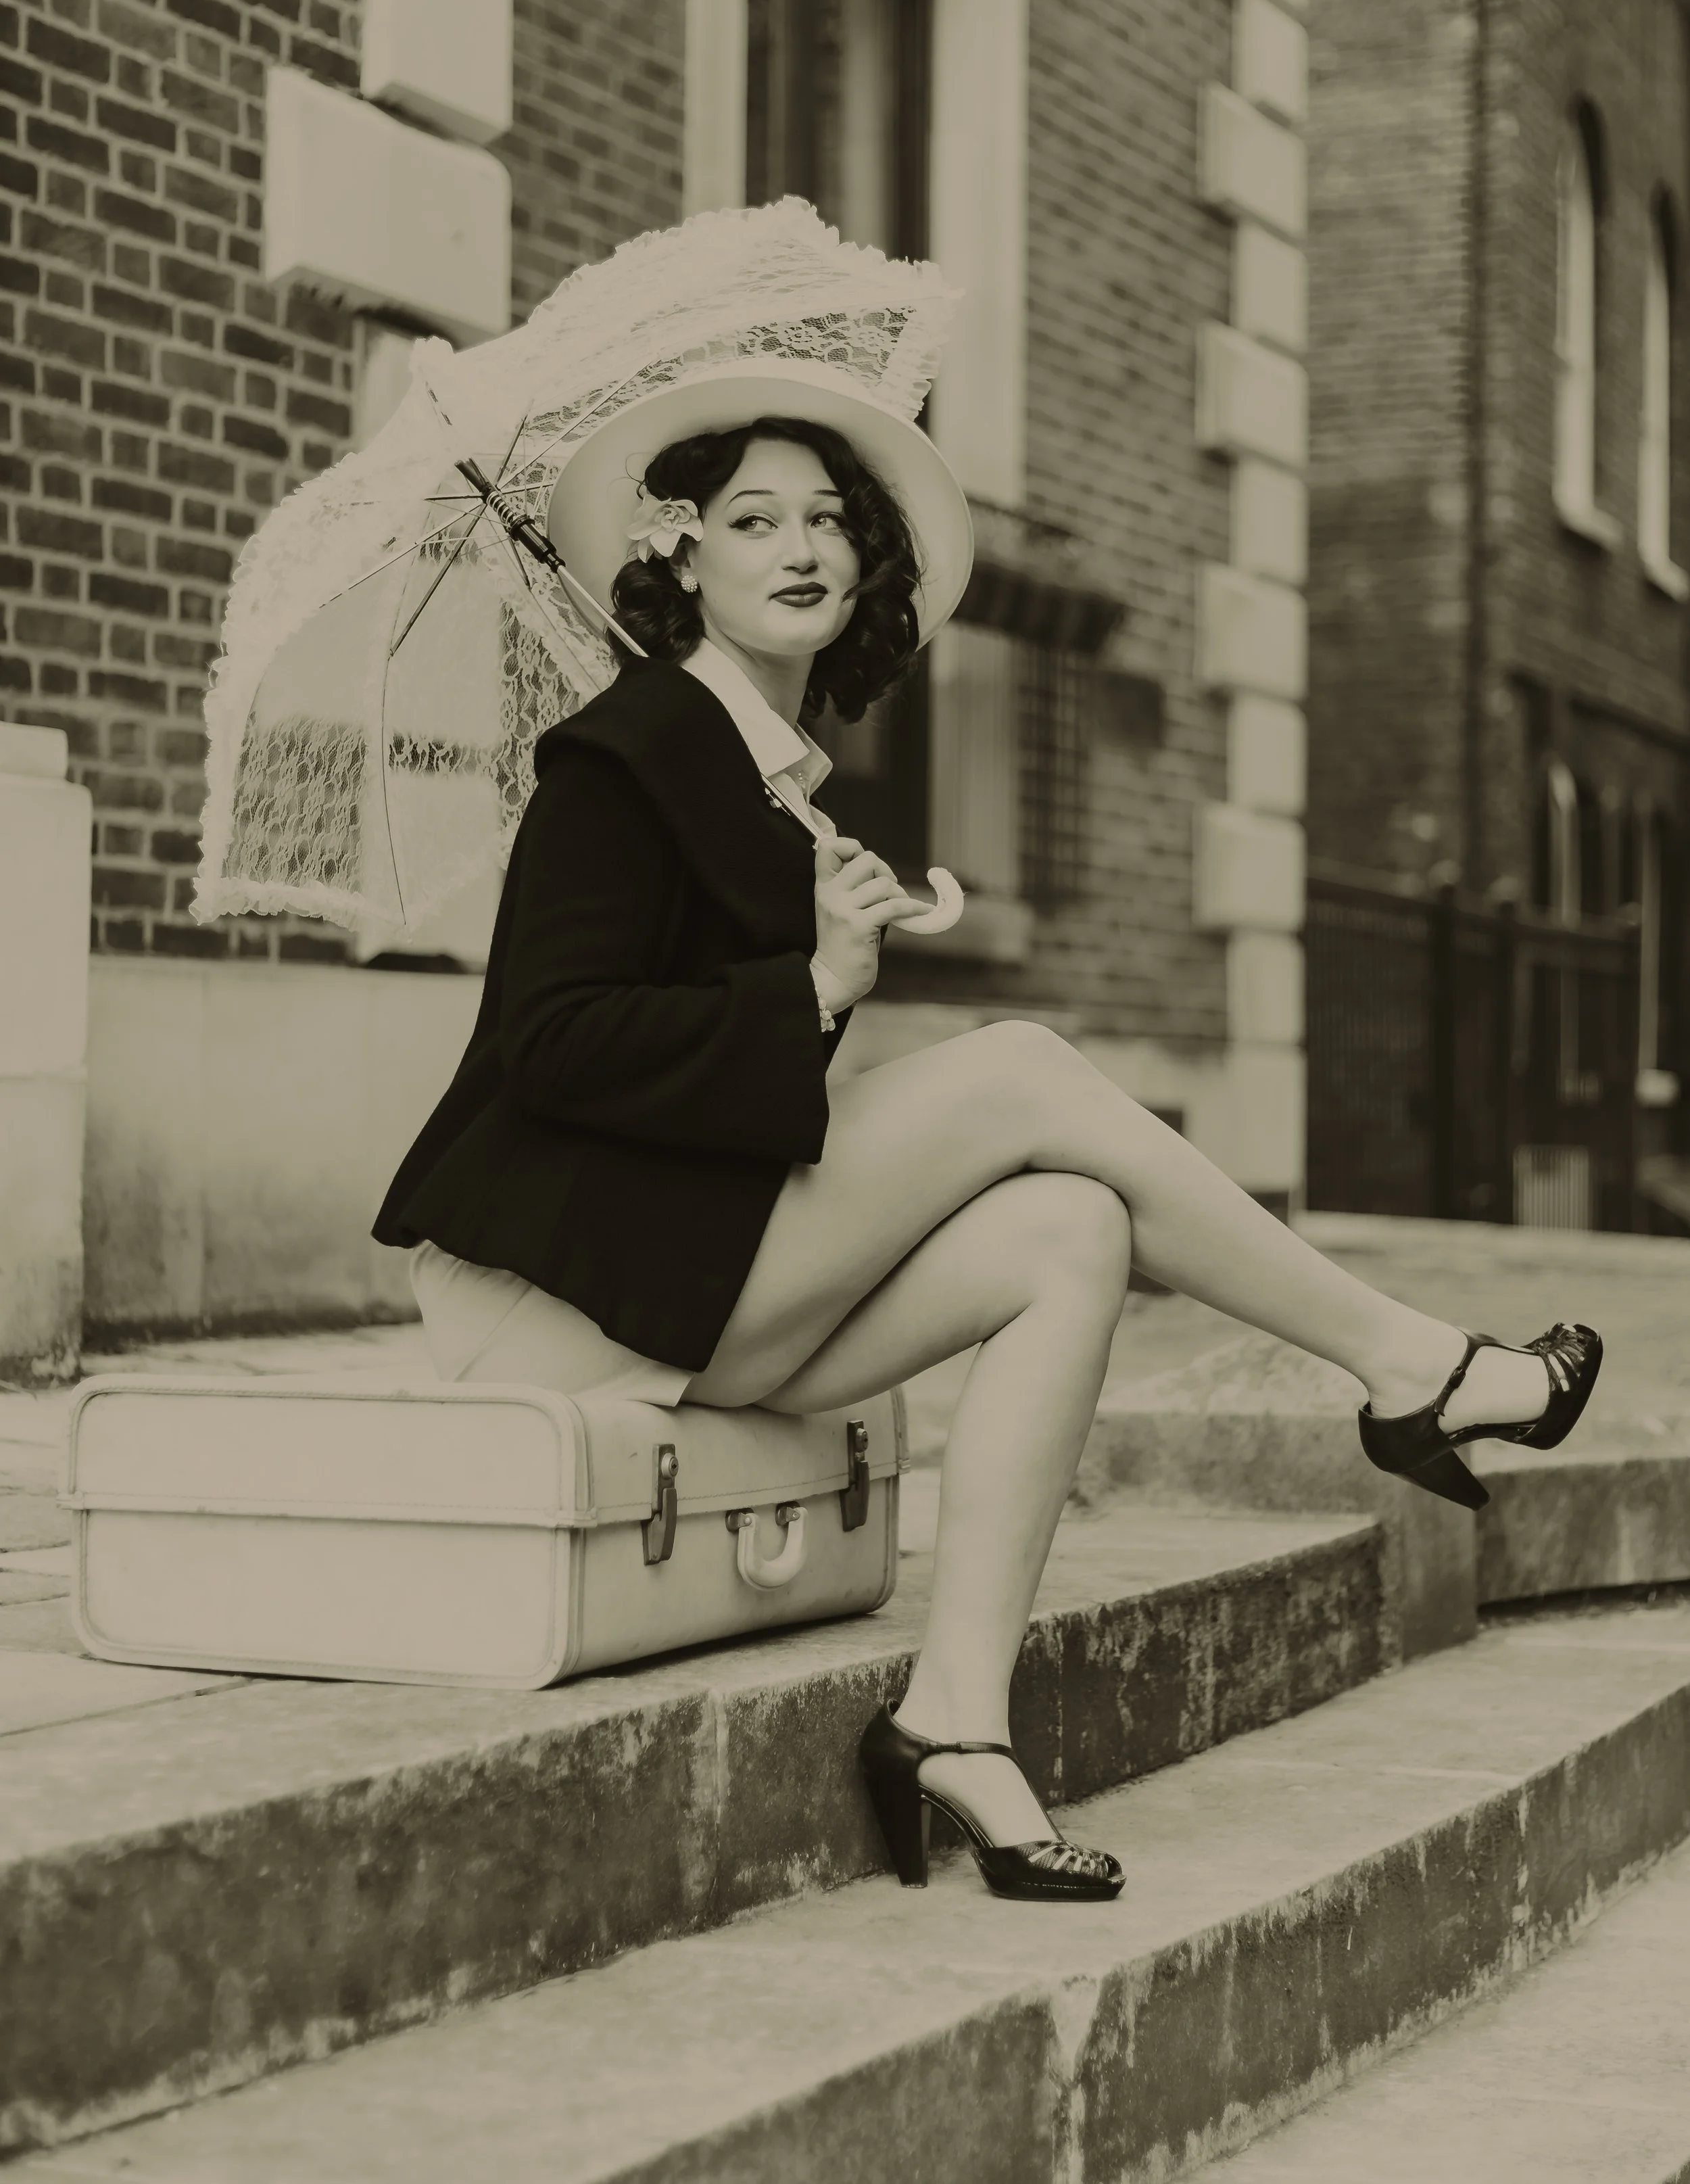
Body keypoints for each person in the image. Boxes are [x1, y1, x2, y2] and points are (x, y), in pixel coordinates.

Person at [372, 358, 1601, 1905]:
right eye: (752, 518)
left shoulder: (764, 782)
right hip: (555, 1290)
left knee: (1067, 1230)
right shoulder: (621, 756)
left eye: (828, 518)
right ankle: (1410, 1367)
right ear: (679, 552)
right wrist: (808, 982)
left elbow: (730, 1081)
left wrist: (816, 978)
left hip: (688, 1281)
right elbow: (553, 1048)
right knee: (1018, 1063)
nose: (802, 546)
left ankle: (954, 1718)